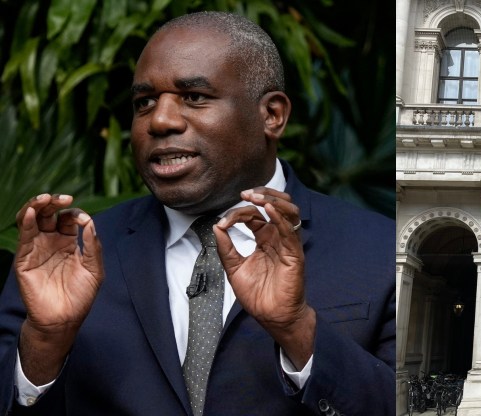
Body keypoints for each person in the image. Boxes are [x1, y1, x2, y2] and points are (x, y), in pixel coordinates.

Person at [0, 11, 395, 416]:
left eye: (194, 97)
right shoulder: (66, 254)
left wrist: (298, 330)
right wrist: (45, 344)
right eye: (144, 102)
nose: (160, 120)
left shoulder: (380, 250)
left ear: (272, 115)